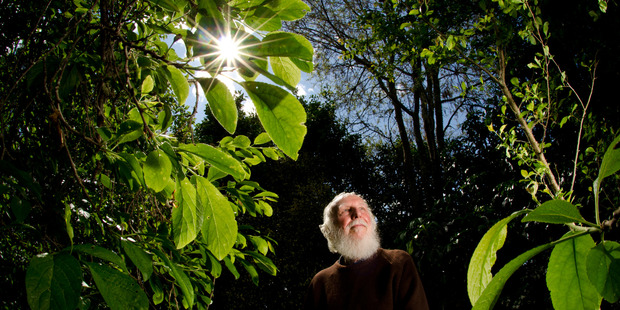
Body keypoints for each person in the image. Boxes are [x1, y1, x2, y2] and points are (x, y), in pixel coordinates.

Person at [305, 192, 429, 310]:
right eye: (346, 210)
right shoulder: (319, 283)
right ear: (331, 228)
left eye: (362, 209)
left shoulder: (398, 263)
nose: (357, 215)